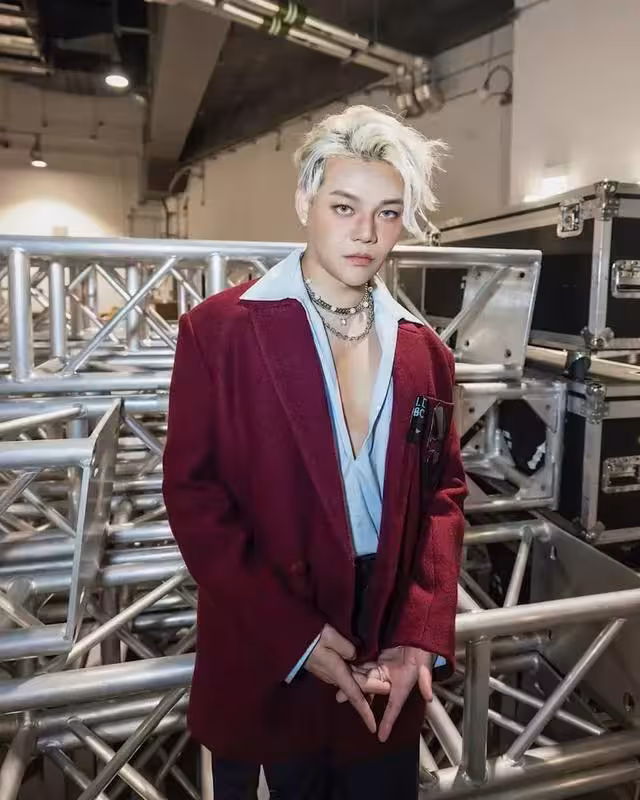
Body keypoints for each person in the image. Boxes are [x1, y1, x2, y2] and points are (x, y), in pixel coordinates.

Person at [162, 104, 467, 800]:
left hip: (385, 650)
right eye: (344, 206)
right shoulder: (219, 332)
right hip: (267, 641)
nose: (366, 233)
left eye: (388, 213)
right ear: (305, 202)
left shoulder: (426, 350)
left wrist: (420, 629)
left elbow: (444, 494)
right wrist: (292, 635)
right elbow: (195, 497)